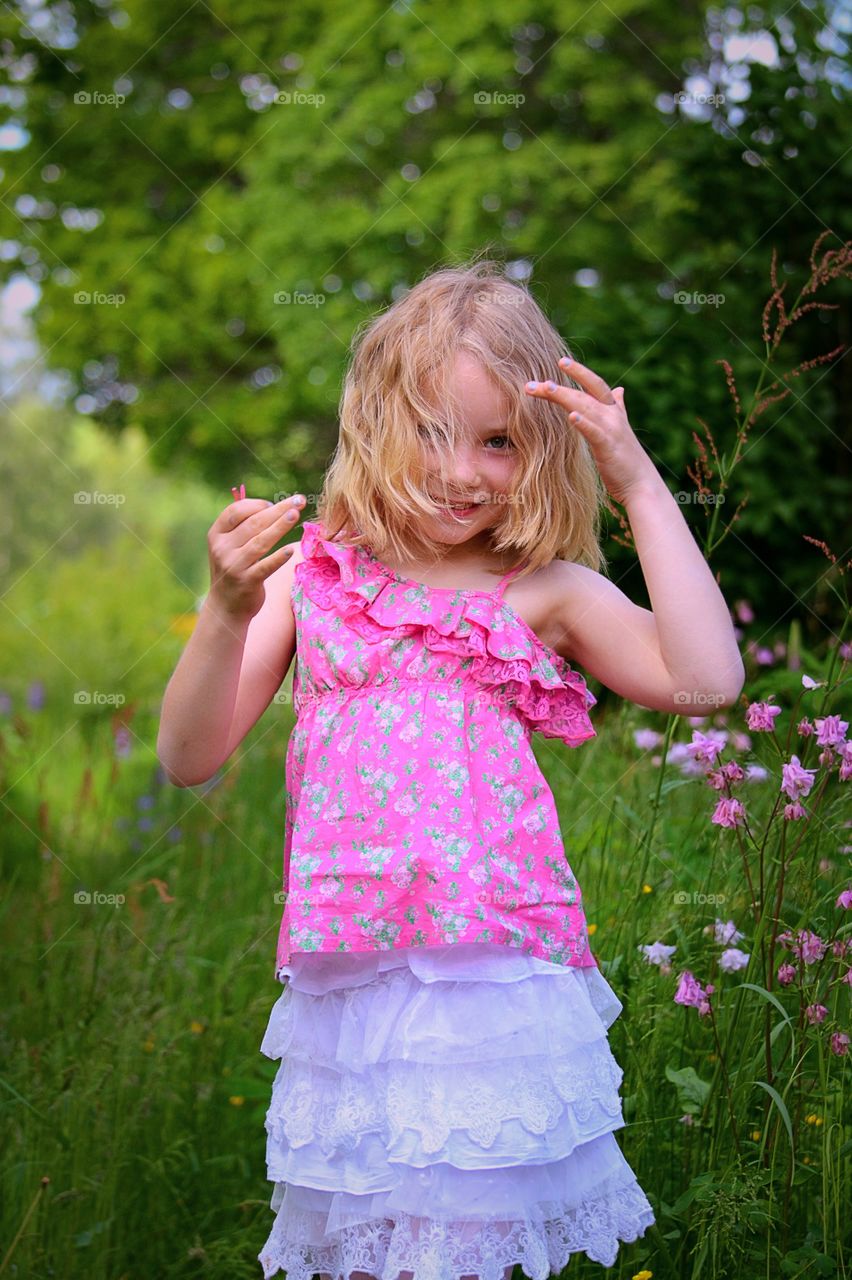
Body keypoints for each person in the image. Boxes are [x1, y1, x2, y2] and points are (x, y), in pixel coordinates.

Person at [157, 259, 745, 1280]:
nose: (461, 471)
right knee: (368, 1248)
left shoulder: (540, 591)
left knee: (469, 1245)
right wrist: (223, 610)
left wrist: (640, 482)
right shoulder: (313, 579)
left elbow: (705, 680)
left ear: (543, 451)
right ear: (374, 420)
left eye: (500, 442)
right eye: (431, 431)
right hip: (355, 993)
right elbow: (188, 753)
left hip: (494, 987)